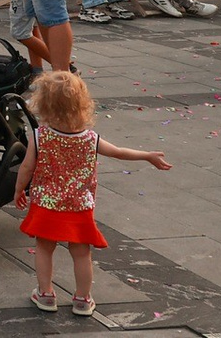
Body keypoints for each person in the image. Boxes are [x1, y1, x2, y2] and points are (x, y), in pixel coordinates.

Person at [14, 71, 171, 316]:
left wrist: (18, 190)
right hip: (79, 206)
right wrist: (147, 156)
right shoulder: (90, 138)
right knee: (81, 253)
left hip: (46, 203)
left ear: (43, 105)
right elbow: (118, 152)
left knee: (44, 248)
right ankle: (82, 299)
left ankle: (45, 294)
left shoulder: (40, 136)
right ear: (82, 105)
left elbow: (26, 167)